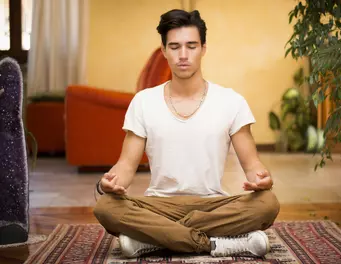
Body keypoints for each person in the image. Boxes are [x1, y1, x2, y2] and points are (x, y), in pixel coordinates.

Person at [93, 9, 280, 258]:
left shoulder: (231, 101)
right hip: (158, 205)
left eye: (191, 46)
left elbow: (253, 164)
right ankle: (216, 244)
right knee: (106, 206)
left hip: (213, 204)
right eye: (175, 46)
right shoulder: (144, 101)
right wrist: (110, 182)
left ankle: (155, 240)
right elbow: (126, 166)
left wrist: (261, 179)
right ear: (163, 51)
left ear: (203, 48)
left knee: (268, 204)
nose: (183, 55)